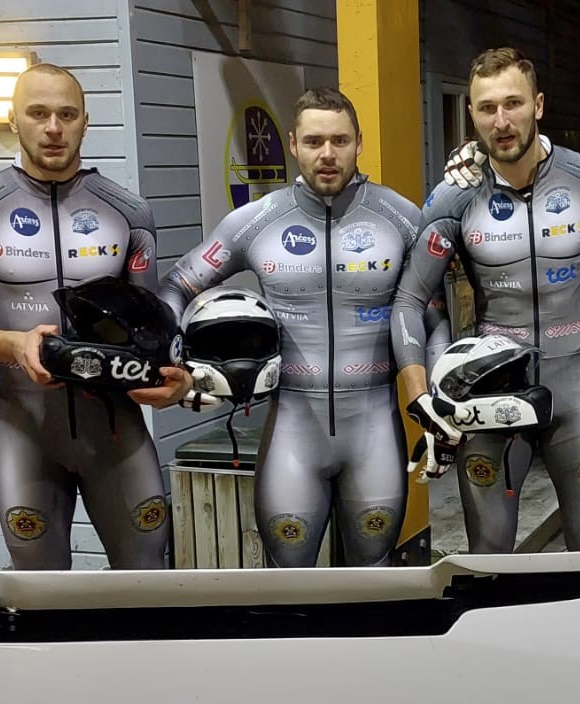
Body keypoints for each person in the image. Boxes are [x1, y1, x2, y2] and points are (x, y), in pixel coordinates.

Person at [0, 63, 191, 570]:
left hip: (117, 433)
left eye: (67, 114)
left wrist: (176, 380)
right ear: (12, 120)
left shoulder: (129, 211)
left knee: (147, 583)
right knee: (41, 591)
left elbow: (151, 331)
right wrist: (11, 344)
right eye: (38, 113)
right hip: (26, 434)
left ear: (85, 123)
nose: (53, 127)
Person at [158, 88, 421, 567]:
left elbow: (431, 311)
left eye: (339, 140)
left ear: (359, 142)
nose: (327, 154)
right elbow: (175, 287)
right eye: (314, 141)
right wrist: (182, 365)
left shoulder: (401, 218)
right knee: (287, 583)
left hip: (377, 430)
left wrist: (433, 394)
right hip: (292, 434)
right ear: (294, 144)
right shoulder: (256, 221)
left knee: (376, 584)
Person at [392, 47, 580, 553]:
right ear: (472, 116)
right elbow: (410, 301)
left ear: (539, 105)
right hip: (491, 393)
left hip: (579, 395)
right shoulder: (455, 196)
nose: (502, 121)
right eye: (486, 108)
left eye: (514, 104)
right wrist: (423, 401)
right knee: (489, 554)